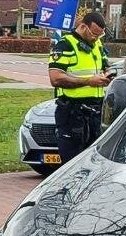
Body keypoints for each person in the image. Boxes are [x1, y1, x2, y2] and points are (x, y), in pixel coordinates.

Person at [47, 10, 115, 165]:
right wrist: (88, 81)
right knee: (72, 162)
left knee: (94, 161)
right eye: (94, 34)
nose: (96, 38)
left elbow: (105, 66)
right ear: (83, 27)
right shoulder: (65, 45)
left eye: (100, 35)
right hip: (72, 113)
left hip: (95, 112)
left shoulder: (96, 44)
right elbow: (55, 78)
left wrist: (108, 75)